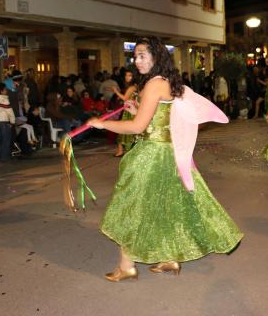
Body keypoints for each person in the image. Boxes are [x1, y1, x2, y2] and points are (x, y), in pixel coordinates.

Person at [87, 37, 243, 282]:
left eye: (142, 55)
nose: (136, 61)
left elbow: (138, 127)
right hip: (168, 152)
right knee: (166, 205)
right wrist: (133, 109)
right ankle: (170, 259)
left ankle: (126, 266)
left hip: (152, 153)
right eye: (135, 56)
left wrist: (102, 123)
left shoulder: (153, 85)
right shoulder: (165, 82)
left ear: (156, 57)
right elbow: (156, 117)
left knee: (132, 208)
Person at [112, 70, 137, 157]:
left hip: (130, 111)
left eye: (130, 75)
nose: (127, 77)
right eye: (126, 75)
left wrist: (116, 91)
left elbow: (125, 98)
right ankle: (121, 150)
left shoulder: (132, 87)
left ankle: (123, 150)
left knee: (124, 129)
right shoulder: (131, 87)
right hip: (128, 110)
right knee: (123, 129)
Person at [0, 83, 15, 162]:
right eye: (5, 89)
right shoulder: (4, 99)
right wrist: (12, 121)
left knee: (2, 139)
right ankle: (5, 157)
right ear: (1, 91)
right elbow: (9, 111)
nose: (6, 90)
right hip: (5, 120)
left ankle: (2, 156)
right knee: (6, 139)